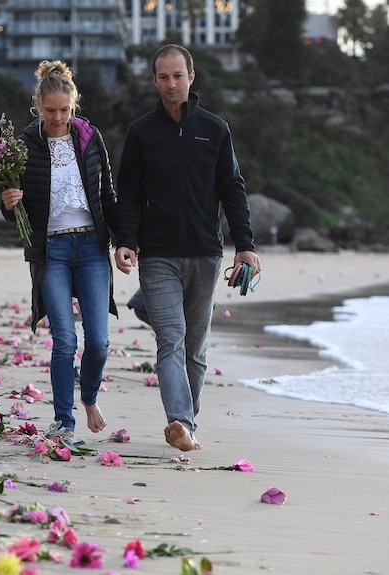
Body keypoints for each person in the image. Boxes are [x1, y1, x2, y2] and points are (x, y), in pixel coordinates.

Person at [114, 44, 261, 452]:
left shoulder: (215, 129)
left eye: (178, 75)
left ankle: (187, 426)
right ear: (155, 80)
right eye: (164, 77)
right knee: (173, 338)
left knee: (195, 347)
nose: (171, 83)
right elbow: (127, 194)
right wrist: (125, 240)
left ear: (191, 77)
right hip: (157, 252)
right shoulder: (141, 132)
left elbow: (233, 189)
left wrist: (244, 245)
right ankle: (179, 420)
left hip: (205, 253)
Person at [0, 60, 119, 446]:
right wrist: (8, 202)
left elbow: (108, 196)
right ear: (37, 104)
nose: (58, 117)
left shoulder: (90, 137)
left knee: (98, 341)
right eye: (50, 110)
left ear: (74, 104)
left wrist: (126, 241)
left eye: (65, 109)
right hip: (50, 251)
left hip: (90, 247)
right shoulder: (22, 144)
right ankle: (63, 421)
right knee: (65, 340)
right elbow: (12, 209)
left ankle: (89, 397)